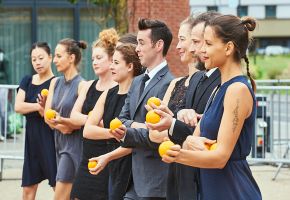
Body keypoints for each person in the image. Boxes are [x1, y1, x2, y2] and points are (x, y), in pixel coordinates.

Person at [149, 15, 262, 200]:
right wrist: (184, 141)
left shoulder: (237, 90)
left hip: (233, 191)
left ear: (228, 47)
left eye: (208, 44)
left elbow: (220, 157)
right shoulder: (218, 89)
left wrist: (176, 155)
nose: (201, 50)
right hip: (211, 189)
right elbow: (194, 141)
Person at [110, 18, 174, 200]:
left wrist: (126, 131)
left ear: (159, 45)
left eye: (141, 43)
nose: (136, 48)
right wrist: (141, 126)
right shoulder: (137, 81)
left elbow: (158, 135)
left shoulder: (170, 84)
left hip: (156, 182)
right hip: (132, 180)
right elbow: (121, 119)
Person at [85, 43, 143, 200]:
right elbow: (88, 130)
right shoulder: (108, 94)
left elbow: (139, 138)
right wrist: (113, 133)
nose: (111, 67)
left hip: (132, 165)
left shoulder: (139, 96)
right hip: (113, 164)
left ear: (130, 66)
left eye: (116, 63)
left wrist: (121, 139)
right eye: (111, 62)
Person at [70, 28, 118, 200]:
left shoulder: (117, 90)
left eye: (99, 58)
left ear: (112, 59)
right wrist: (92, 121)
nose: (94, 62)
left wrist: (91, 123)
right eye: (92, 59)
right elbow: (73, 116)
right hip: (87, 155)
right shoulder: (88, 85)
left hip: (107, 156)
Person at [44, 38, 87, 200]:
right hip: (59, 144)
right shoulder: (55, 82)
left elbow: (77, 123)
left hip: (73, 148)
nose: (54, 60)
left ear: (71, 58)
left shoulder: (82, 85)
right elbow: (47, 116)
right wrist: (62, 125)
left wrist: (61, 122)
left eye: (58, 56)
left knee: (60, 197)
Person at [14, 42, 56, 200]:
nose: (37, 62)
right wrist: (38, 108)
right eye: (33, 59)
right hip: (32, 142)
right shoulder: (27, 80)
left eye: (41, 58)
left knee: (58, 188)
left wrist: (40, 109)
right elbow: (18, 106)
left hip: (50, 139)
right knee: (28, 190)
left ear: (50, 57)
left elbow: (53, 112)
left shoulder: (55, 82)